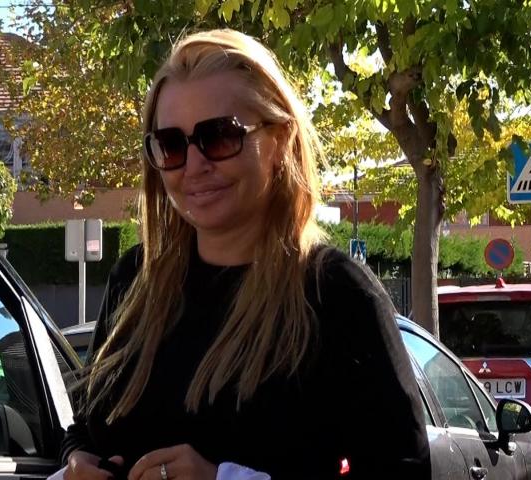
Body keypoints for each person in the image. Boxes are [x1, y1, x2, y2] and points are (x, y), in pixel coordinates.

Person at [60, 29, 430, 480]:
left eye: (219, 137)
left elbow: (402, 469)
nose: (194, 166)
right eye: (171, 144)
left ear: (279, 141)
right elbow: (86, 425)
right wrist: (77, 460)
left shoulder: (334, 295)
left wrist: (226, 478)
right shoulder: (134, 280)